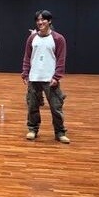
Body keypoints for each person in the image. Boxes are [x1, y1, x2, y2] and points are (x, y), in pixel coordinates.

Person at [21, 9, 70, 143]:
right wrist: (25, 73)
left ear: (49, 21)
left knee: (56, 107)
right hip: (34, 77)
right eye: (38, 20)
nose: (40, 22)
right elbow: (27, 57)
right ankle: (32, 129)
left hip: (50, 79)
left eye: (43, 19)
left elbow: (61, 59)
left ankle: (60, 132)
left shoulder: (58, 39)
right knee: (32, 106)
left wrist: (57, 77)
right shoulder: (32, 38)